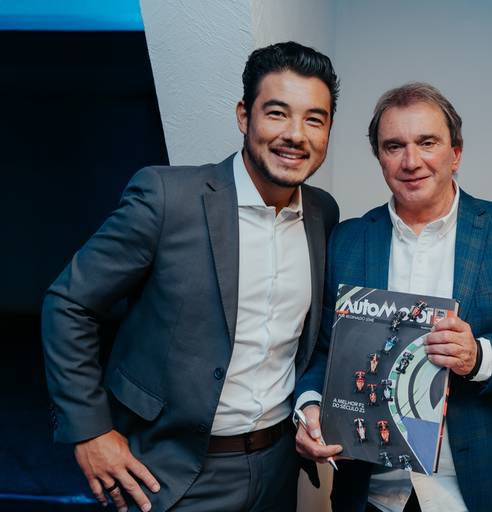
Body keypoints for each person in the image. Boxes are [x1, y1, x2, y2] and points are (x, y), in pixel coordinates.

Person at [41, 41, 339, 512]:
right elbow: (69, 304)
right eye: (277, 113)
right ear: (244, 116)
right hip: (171, 473)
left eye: (314, 120)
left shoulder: (323, 213)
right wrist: (90, 430)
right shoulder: (166, 198)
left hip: (278, 467)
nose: (295, 134)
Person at [295, 83, 492, 511]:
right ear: (380, 158)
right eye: (394, 146)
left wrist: (479, 356)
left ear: (455, 153)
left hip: (489, 487)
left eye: (427, 143)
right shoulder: (347, 240)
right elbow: (323, 352)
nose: (411, 161)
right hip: (374, 494)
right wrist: (311, 407)